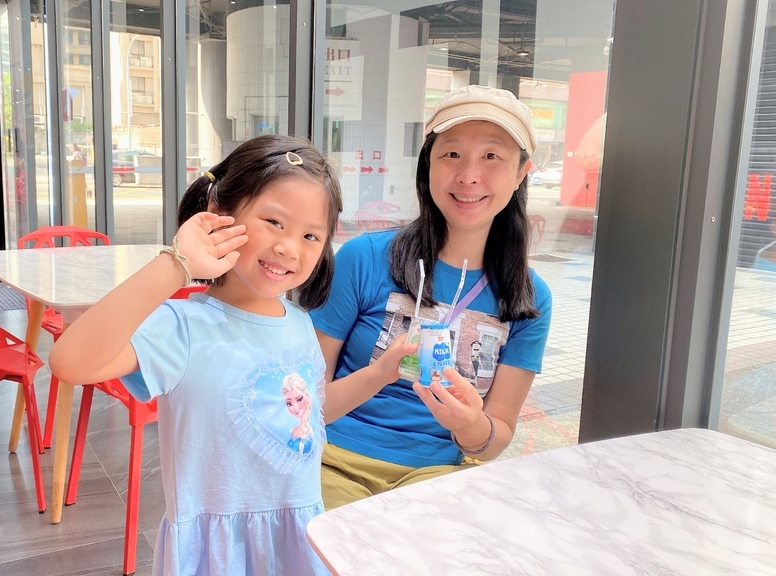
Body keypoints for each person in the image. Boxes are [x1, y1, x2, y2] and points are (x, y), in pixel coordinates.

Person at [50, 134, 343, 576]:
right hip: (217, 552)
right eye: (274, 222)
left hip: (297, 538)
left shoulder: (301, 323)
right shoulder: (182, 327)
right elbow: (70, 362)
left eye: (310, 235)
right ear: (219, 216)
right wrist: (176, 263)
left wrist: (381, 372)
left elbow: (311, 416)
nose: (289, 247)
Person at [311, 85, 553, 510]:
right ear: (428, 166)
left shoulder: (529, 298)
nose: (469, 176)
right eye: (452, 154)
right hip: (331, 459)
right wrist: (377, 376)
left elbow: (494, 439)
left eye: (492, 156)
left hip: (437, 474)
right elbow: (305, 397)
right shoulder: (363, 258)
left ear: (521, 173)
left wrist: (472, 425)